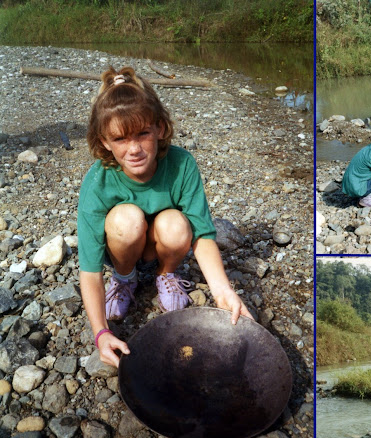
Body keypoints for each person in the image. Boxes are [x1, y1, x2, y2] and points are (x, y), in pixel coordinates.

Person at [78, 66, 252, 368]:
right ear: (104, 141)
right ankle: (124, 277)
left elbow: (201, 234)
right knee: (126, 219)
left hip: (164, 242)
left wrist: (223, 291)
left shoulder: (182, 164)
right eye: (119, 139)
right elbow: (90, 270)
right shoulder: (98, 181)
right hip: (124, 244)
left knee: (176, 223)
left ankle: (166, 274)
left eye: (143, 133)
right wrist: (100, 332)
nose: (133, 149)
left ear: (159, 128)